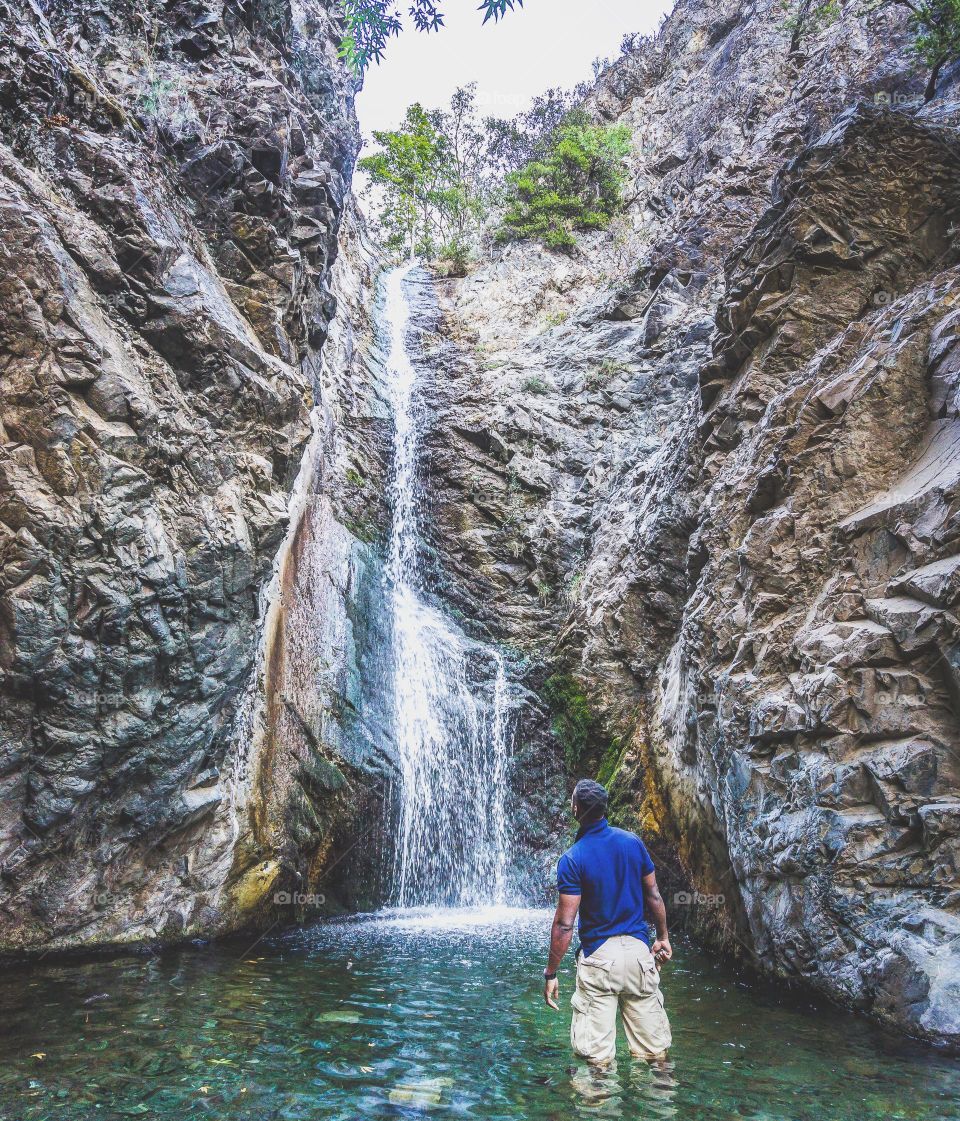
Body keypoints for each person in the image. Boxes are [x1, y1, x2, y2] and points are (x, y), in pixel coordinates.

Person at [542, 778, 673, 1065]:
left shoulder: (573, 858)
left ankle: (599, 1107)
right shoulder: (632, 843)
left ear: (576, 809)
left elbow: (565, 924)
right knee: (655, 1055)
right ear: (603, 808)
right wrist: (662, 936)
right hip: (639, 956)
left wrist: (551, 972)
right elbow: (653, 894)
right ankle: (661, 1104)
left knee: (596, 1060)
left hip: (600, 959)